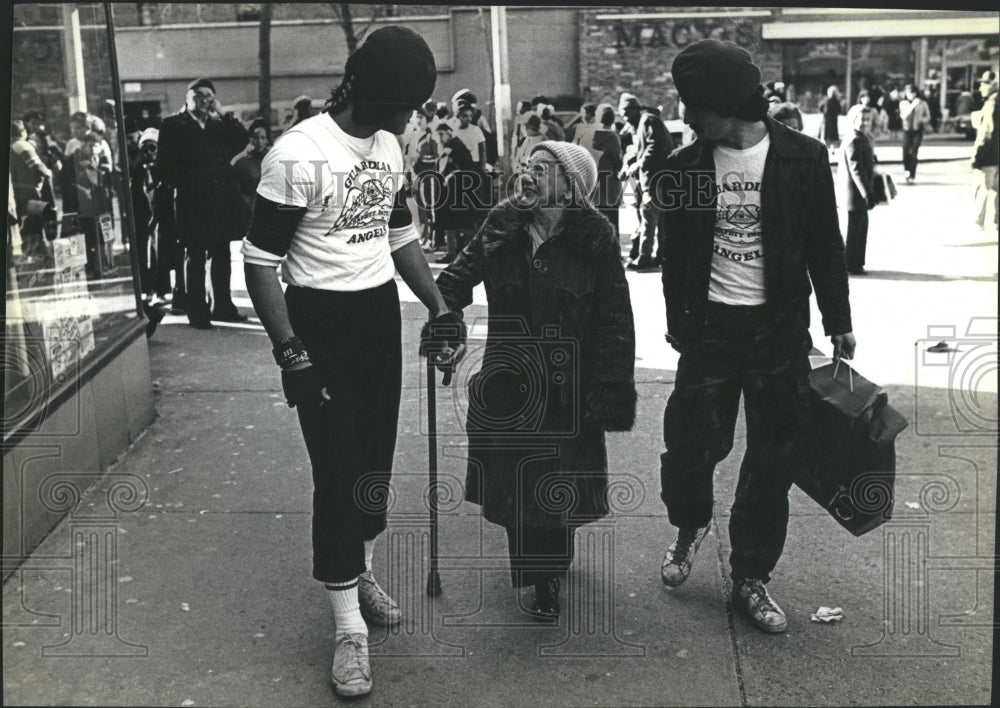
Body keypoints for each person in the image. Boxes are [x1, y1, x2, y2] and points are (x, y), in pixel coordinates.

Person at [241, 26, 454, 699]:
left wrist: (440, 306)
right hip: (319, 324)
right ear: (380, 93)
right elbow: (261, 264)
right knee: (338, 473)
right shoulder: (297, 155)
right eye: (410, 102)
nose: (414, 116)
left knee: (372, 464)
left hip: (376, 317)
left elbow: (398, 233)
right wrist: (291, 351)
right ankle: (347, 631)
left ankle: (357, 570)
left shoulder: (390, 144)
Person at [659, 40, 856, 634]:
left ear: (727, 104)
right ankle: (690, 524)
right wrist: (680, 327)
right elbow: (674, 258)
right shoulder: (683, 167)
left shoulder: (802, 158)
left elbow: (826, 244)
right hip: (711, 330)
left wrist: (839, 321)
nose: (687, 117)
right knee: (691, 447)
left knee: (772, 460)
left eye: (695, 106)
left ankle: (751, 575)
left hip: (778, 333)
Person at [430, 140, 636, 620]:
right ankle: (539, 573)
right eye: (526, 165)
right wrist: (446, 326)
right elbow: (452, 282)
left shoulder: (595, 240)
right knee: (518, 490)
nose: (528, 174)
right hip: (507, 385)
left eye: (542, 168)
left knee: (554, 486)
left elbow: (615, 321)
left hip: (568, 390)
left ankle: (548, 570)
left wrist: (608, 391)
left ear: (570, 185)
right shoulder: (502, 226)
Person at [157, 77, 250, 328]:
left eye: (209, 95)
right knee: (195, 256)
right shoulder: (173, 124)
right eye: (198, 94)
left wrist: (223, 113)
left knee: (221, 255)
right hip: (191, 201)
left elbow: (242, 140)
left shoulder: (217, 125)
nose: (204, 99)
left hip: (219, 200)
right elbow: (164, 167)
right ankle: (198, 313)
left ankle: (223, 307)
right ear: (187, 98)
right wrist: (190, 183)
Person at [619, 94, 674, 270]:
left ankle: (645, 257)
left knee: (648, 217)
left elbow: (655, 147)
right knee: (659, 220)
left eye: (628, 113)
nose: (626, 118)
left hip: (654, 178)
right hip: (654, 178)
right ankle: (662, 255)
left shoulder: (648, 121)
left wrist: (638, 163)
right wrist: (632, 162)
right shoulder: (643, 123)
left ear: (637, 110)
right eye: (623, 114)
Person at [839, 106, 877, 275]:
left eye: (868, 119)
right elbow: (857, 169)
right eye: (862, 119)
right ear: (853, 119)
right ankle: (851, 264)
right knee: (855, 231)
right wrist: (866, 193)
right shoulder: (854, 139)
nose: (865, 123)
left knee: (860, 228)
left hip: (857, 192)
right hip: (855, 193)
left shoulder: (860, 137)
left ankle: (856, 262)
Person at [434, 121, 478, 263]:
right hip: (459, 187)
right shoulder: (454, 144)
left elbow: (443, 164)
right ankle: (456, 252)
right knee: (455, 221)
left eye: (442, 134)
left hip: (460, 188)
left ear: (449, 133)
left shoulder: (452, 145)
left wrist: (446, 175)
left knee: (457, 221)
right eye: (438, 135)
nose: (440, 137)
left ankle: (459, 253)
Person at [10, 119, 53, 261]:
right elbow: (36, 166)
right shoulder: (22, 145)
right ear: (23, 132)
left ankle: (30, 257)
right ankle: (38, 258)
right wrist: (47, 172)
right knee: (35, 223)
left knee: (26, 225)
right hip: (29, 192)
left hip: (16, 193)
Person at [971, 70, 999, 231]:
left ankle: (978, 220)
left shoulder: (992, 104)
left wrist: (977, 155)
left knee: (983, 187)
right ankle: (996, 221)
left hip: (989, 154)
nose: (981, 86)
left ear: (993, 85)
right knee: (995, 188)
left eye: (984, 83)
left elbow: (987, 132)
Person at [592, 105, 624, 236]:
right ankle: (613, 254)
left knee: (594, 225)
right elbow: (618, 162)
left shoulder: (589, 134)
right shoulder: (612, 137)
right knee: (612, 224)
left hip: (592, 185)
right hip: (609, 186)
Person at [899, 83, 932, 183]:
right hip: (907, 130)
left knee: (914, 152)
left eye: (913, 93)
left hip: (917, 130)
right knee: (905, 152)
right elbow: (903, 116)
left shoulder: (923, 103)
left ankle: (912, 175)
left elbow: (928, 117)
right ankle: (906, 171)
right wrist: (913, 105)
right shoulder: (903, 103)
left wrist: (922, 119)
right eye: (909, 93)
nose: (911, 95)